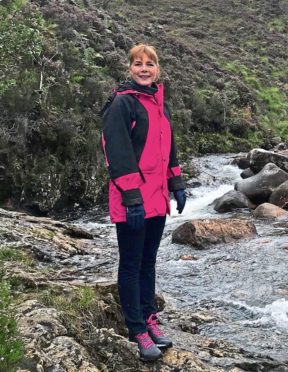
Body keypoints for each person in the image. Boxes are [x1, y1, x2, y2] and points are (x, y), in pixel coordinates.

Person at [101, 44, 187, 361]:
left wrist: (176, 183)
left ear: (157, 70)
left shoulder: (159, 104)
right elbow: (116, 151)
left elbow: (169, 147)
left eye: (149, 63)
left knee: (148, 262)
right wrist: (131, 197)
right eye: (138, 63)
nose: (144, 68)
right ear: (130, 69)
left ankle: (151, 320)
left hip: (157, 197)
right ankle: (136, 329)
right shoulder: (123, 104)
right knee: (131, 264)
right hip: (132, 199)